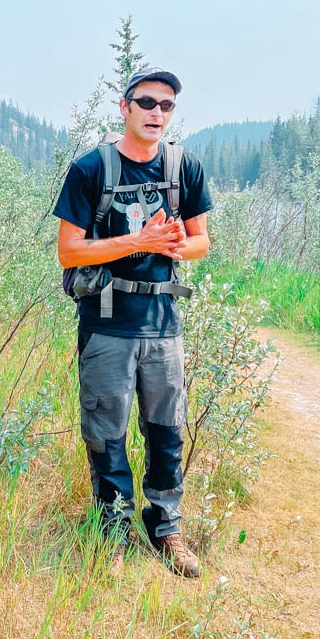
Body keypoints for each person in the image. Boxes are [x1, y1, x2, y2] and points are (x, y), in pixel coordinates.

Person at [53, 66, 213, 576]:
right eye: (147, 103)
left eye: (166, 106)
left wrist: (173, 244)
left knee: (167, 432)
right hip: (105, 324)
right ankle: (115, 532)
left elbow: (201, 241)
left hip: (164, 325)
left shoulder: (184, 167)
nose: (157, 114)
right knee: (107, 434)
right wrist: (137, 241)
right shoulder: (89, 171)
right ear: (124, 108)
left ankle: (166, 529)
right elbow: (68, 253)